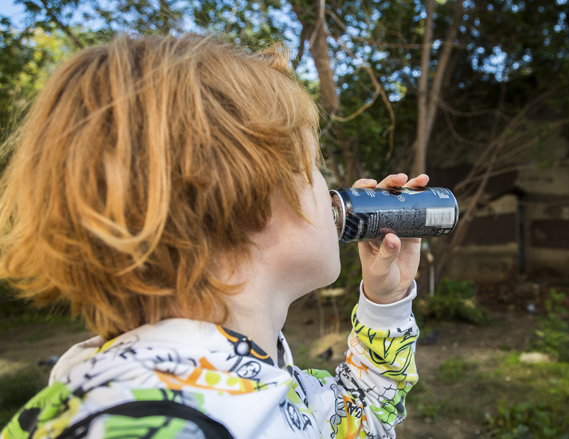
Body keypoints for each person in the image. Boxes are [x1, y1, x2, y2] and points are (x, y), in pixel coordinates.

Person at [0, 35, 426, 439]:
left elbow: (361, 415)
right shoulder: (145, 421)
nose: (330, 187)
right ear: (251, 200)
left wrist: (386, 300)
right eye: (312, 165)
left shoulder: (247, 376)